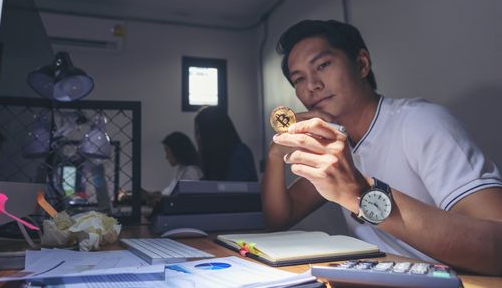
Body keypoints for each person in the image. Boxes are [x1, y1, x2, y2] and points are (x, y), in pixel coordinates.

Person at [261, 19, 502, 275]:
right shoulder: (335, 145)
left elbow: (497, 248)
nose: (312, 86)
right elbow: (279, 219)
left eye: (323, 65)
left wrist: (360, 194)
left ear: (362, 64)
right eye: (299, 79)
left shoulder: (421, 122)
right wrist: (276, 151)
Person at [194, 106, 258, 182]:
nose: (198, 138)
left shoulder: (239, 154)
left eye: (200, 132)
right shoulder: (214, 158)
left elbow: (234, 190)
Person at [145, 131, 203, 207]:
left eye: (167, 152)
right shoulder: (181, 169)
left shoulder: (191, 172)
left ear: (177, 151)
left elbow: (183, 200)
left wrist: (161, 198)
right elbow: (170, 191)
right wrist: (158, 195)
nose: (166, 157)